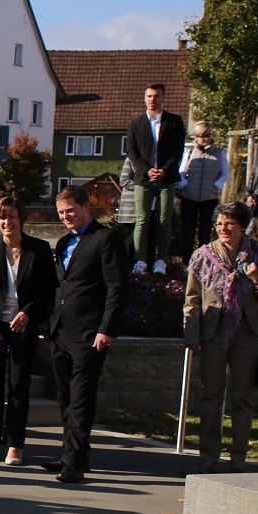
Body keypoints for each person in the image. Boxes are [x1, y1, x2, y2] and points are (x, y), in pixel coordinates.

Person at [183, 201, 258, 474]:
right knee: (211, 395)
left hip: (247, 331)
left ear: (242, 226)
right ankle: (209, 455)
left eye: (229, 223)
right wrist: (192, 334)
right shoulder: (203, 255)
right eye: (219, 223)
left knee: (243, 397)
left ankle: (239, 458)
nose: (223, 228)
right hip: (213, 332)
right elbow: (192, 298)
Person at [46, 184, 127, 483]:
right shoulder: (64, 242)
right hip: (61, 331)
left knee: (81, 398)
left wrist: (107, 329)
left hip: (90, 333)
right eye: (61, 213)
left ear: (86, 208)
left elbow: (117, 288)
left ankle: (74, 462)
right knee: (65, 397)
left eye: (71, 211)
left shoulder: (106, 239)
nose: (67, 217)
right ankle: (73, 452)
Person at [0, 200, 57, 467]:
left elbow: (48, 289)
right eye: (2, 217)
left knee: (19, 386)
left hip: (24, 325)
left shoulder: (39, 249)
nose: (7, 222)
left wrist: (29, 312)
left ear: (22, 219)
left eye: (12, 217)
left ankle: (15, 445)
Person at [126, 82, 187, 274]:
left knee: (163, 220)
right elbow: (131, 151)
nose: (153, 99)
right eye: (149, 96)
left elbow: (178, 150)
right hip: (143, 180)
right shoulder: (136, 123)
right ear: (145, 98)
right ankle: (140, 260)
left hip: (166, 179)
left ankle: (160, 261)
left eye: (156, 96)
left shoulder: (174, 121)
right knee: (142, 220)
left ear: (163, 98)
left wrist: (165, 170)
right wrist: (147, 170)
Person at [176, 119, 227, 262]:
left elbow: (225, 173)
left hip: (209, 198)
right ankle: (187, 262)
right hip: (189, 198)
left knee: (205, 233)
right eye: (202, 136)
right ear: (196, 137)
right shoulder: (189, 152)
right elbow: (181, 172)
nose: (205, 139)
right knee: (188, 232)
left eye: (207, 135)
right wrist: (185, 185)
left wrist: (216, 185)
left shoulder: (219, 153)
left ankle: (204, 262)